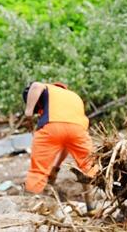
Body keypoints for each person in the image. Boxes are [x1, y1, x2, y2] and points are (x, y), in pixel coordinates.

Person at [23, 81, 96, 209]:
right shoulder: (74, 96)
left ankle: (28, 208)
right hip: (79, 131)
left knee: (38, 170)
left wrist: (28, 113)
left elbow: (35, 86)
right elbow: (65, 142)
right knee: (89, 169)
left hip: (51, 127)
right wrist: (55, 168)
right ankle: (92, 208)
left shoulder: (46, 88)